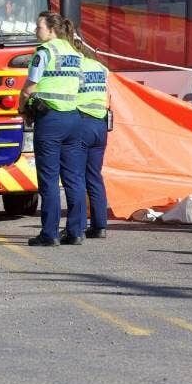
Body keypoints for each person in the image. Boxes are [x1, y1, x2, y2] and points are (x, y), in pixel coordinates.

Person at [19, 12, 86, 246]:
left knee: (48, 179)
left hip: (51, 121)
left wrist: (21, 106)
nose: (36, 31)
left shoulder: (44, 52)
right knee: (74, 178)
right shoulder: (75, 53)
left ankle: (49, 234)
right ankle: (76, 231)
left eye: (39, 26)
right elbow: (81, 85)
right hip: (74, 119)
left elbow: (30, 87)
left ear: (51, 30)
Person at [72, 24, 111, 239]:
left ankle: (76, 227)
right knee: (94, 176)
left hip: (82, 121)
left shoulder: (73, 67)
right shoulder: (99, 67)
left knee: (76, 176)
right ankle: (100, 226)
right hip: (100, 123)